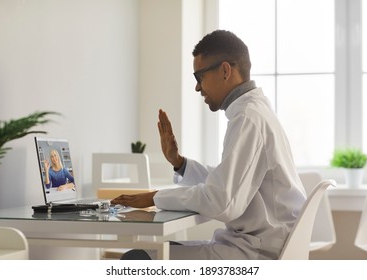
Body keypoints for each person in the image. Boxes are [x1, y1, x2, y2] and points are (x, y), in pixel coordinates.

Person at [111, 30, 306, 260]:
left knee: (137, 259)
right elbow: (228, 183)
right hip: (256, 245)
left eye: (199, 76)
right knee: (152, 253)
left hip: (255, 254)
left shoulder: (248, 118)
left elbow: (222, 202)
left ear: (225, 70)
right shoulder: (255, 112)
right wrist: (180, 163)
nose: (197, 87)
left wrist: (155, 197)